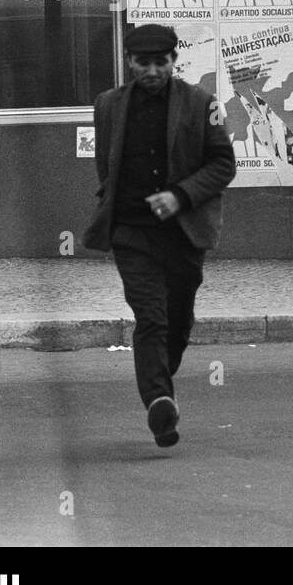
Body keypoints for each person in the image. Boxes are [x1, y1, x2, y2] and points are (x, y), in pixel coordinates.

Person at [83, 24, 236, 447]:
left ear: (173, 61)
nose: (152, 70)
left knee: (178, 321)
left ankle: (159, 380)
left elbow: (223, 164)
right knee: (150, 317)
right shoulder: (108, 106)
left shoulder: (200, 103)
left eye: (160, 63)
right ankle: (159, 402)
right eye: (143, 63)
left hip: (183, 233)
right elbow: (106, 166)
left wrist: (180, 196)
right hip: (131, 233)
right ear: (130, 63)